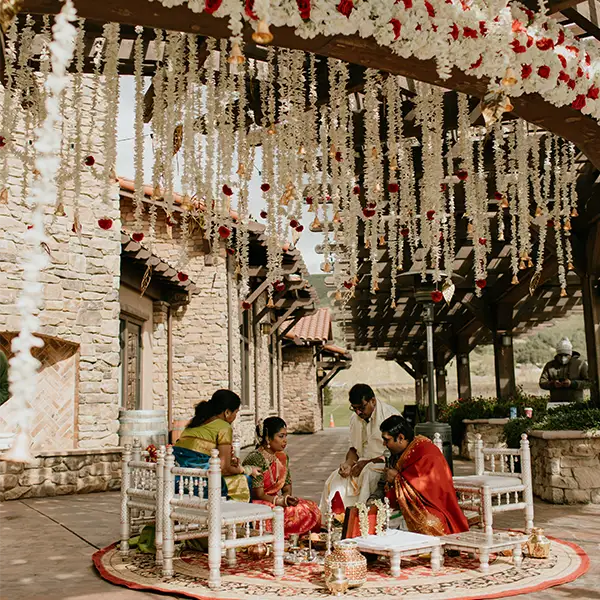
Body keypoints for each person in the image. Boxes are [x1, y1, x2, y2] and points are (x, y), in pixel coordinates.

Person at [371, 415, 469, 536]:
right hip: (404, 506)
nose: (384, 444)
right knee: (377, 520)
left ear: (400, 438)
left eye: (387, 440)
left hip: (433, 508)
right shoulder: (397, 453)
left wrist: (396, 478)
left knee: (426, 524)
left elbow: (426, 488)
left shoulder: (426, 453)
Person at [319, 384, 400, 518]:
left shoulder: (390, 415)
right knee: (334, 478)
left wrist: (366, 463)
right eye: (354, 408)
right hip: (360, 464)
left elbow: (395, 453)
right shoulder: (355, 418)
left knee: (368, 472)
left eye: (361, 408)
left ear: (372, 401)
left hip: (384, 464)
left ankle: (361, 519)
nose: (358, 412)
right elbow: (353, 449)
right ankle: (334, 520)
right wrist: (347, 464)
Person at [242, 417, 321, 537]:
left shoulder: (282, 457)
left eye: (286, 436)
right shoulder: (256, 458)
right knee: (276, 513)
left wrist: (287, 499)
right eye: (281, 436)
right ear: (268, 438)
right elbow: (258, 494)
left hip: (276, 500)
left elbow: (287, 487)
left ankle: (295, 536)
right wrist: (280, 501)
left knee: (310, 508)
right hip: (259, 502)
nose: (285, 441)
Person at [174, 389, 258, 502]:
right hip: (200, 482)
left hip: (178, 479)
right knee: (245, 480)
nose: (235, 416)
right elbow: (224, 469)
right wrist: (246, 469)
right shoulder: (224, 427)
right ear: (227, 412)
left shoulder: (196, 421)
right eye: (236, 412)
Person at [539, 338, 589, 404]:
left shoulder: (580, 364)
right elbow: (542, 382)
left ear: (570, 354)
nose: (563, 358)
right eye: (560, 355)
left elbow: (589, 383)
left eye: (566, 355)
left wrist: (573, 383)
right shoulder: (550, 365)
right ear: (557, 354)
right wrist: (553, 384)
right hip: (555, 403)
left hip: (576, 404)